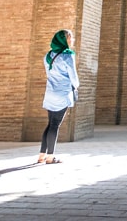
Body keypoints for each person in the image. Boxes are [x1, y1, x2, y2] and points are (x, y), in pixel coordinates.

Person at [38, 29, 80, 164]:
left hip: (50, 93)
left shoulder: (48, 56)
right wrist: (76, 86)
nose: (71, 40)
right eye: (70, 38)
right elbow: (73, 77)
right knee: (55, 125)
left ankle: (41, 155)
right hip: (62, 94)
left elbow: (49, 74)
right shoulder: (68, 56)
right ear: (64, 40)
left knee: (50, 123)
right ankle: (50, 157)